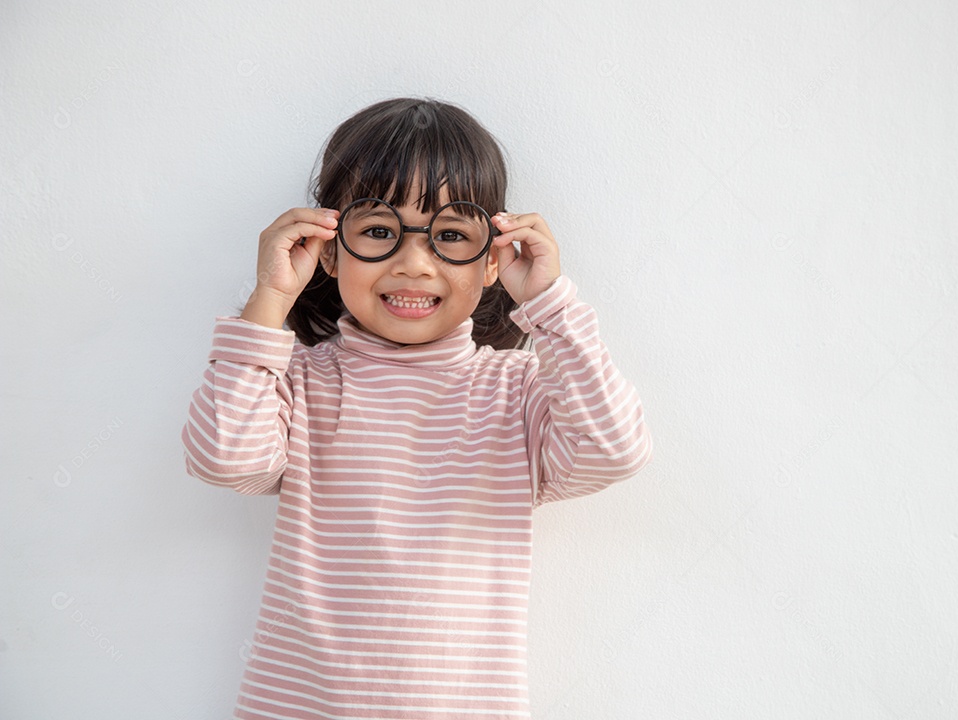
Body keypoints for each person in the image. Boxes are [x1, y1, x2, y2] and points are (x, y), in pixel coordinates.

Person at [180, 96, 653, 719]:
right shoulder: (299, 381)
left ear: (492, 259)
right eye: (379, 231)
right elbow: (223, 457)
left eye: (451, 236)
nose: (413, 264)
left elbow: (613, 450)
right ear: (329, 250)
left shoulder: (515, 391)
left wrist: (551, 306)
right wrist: (270, 297)